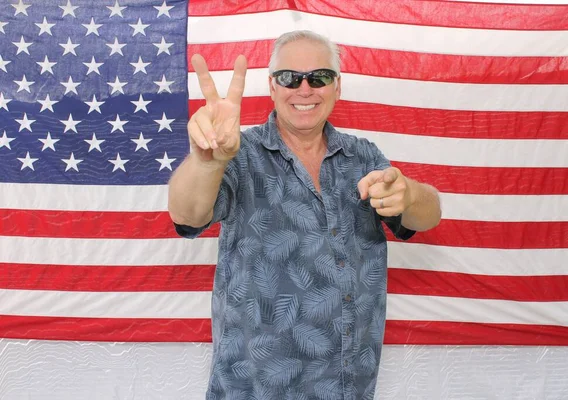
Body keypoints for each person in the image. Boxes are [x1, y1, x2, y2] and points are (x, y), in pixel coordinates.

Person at [168, 30, 441, 400]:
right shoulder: (239, 153)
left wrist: (409, 194)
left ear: (337, 86)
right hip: (255, 386)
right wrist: (205, 161)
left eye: (319, 77)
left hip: (347, 383)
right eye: (289, 78)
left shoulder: (362, 157)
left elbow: (427, 217)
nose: (305, 89)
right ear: (272, 87)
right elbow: (187, 215)